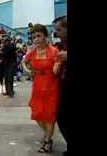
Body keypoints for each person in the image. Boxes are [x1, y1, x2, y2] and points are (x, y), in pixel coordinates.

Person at [22, 24, 60, 153]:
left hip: (51, 86)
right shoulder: (32, 52)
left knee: (49, 114)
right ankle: (48, 133)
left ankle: (48, 140)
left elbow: (56, 71)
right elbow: (23, 63)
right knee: (37, 114)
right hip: (37, 85)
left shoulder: (54, 51)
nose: (36, 39)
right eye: (34, 37)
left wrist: (58, 63)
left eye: (39, 36)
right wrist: (28, 71)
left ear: (45, 36)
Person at [53, 16, 67, 156]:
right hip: (62, 84)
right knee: (61, 117)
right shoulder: (61, 44)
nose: (57, 33)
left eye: (59, 29)